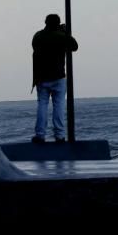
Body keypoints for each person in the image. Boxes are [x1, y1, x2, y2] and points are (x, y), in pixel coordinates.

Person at [32, 14, 78, 143]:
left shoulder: (38, 36)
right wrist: (64, 32)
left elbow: (34, 47)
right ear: (57, 24)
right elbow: (74, 46)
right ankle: (59, 135)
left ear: (45, 22)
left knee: (42, 105)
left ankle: (40, 135)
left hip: (41, 77)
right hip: (58, 76)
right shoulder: (61, 36)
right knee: (59, 106)